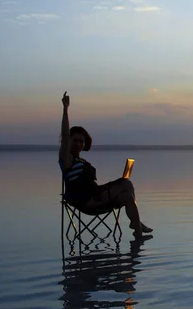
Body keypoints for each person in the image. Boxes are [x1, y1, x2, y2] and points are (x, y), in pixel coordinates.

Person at [58, 91, 152, 240]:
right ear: (69, 141)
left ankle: (137, 233)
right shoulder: (67, 159)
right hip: (87, 202)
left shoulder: (81, 161)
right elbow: (64, 137)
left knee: (128, 196)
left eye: (81, 142)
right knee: (126, 183)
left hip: (97, 197)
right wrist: (65, 110)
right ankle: (137, 227)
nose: (78, 144)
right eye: (75, 140)